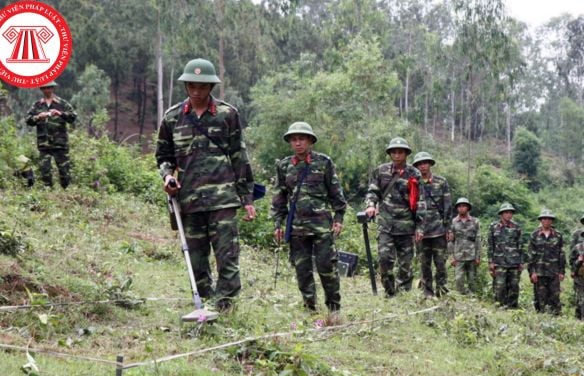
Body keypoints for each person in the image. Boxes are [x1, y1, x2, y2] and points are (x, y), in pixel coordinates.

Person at [155, 58, 256, 311]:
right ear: (186, 86)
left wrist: (247, 199)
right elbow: (164, 157)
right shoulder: (172, 118)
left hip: (223, 199)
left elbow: (239, 157)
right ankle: (204, 306)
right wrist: (168, 177)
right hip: (189, 200)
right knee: (196, 258)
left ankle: (225, 308)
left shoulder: (227, 114)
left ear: (211, 87)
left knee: (227, 257)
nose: (197, 91)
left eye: (202, 86)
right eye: (192, 86)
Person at [271, 122, 347, 312]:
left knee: (327, 268)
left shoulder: (324, 162)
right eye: (294, 140)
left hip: (322, 227)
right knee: (302, 270)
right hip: (296, 227)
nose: (298, 143)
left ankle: (334, 307)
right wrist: (277, 225)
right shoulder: (284, 166)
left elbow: (336, 193)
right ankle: (309, 307)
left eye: (302, 139)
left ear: (310, 141)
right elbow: (279, 198)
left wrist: (339, 218)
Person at [364, 137, 422, 296]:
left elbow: (420, 202)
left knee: (405, 264)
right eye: (394, 152)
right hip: (386, 224)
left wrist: (420, 227)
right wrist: (370, 205)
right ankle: (390, 292)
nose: (397, 155)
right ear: (390, 154)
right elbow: (373, 191)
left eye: (400, 152)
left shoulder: (414, 173)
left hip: (406, 226)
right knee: (384, 259)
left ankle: (403, 294)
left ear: (406, 154)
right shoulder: (381, 171)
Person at [412, 151, 452, 297]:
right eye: (419, 164)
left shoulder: (441, 182)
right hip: (421, 231)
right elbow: (410, 207)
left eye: (425, 163)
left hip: (439, 230)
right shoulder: (413, 183)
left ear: (430, 164)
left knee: (440, 263)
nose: (422, 166)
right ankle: (427, 292)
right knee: (424, 264)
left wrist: (448, 228)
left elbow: (447, 206)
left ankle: (441, 291)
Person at [25, 81, 77, 189]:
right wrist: (38, 117)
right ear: (41, 89)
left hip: (60, 143)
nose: (47, 90)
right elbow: (28, 120)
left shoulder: (62, 103)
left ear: (53, 88)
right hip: (44, 144)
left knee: (64, 171)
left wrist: (60, 113)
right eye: (44, 88)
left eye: (49, 88)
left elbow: (73, 117)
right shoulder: (37, 105)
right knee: (45, 171)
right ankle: (48, 193)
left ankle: (66, 192)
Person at [527, 209, 566, 315]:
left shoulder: (558, 235)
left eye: (549, 219)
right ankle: (540, 317)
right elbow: (531, 255)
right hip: (539, 272)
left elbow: (561, 254)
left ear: (552, 221)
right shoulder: (534, 235)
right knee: (540, 297)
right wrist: (532, 272)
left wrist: (562, 271)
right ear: (541, 220)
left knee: (555, 296)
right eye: (544, 219)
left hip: (554, 272)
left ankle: (556, 318)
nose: (547, 221)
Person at [488, 203, 525, 308]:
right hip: (499, 262)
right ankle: (499, 306)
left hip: (514, 262)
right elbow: (491, 245)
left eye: (510, 213)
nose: (509, 215)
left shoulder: (517, 227)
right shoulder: (493, 227)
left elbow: (520, 245)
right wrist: (490, 262)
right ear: (501, 214)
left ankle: (513, 307)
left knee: (514, 286)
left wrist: (521, 261)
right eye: (506, 212)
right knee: (500, 286)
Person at [448, 197, 481, 295]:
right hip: (458, 255)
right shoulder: (453, 222)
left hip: (472, 255)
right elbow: (450, 241)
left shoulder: (475, 222)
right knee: (459, 280)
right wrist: (451, 257)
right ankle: (461, 299)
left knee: (472, 280)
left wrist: (478, 256)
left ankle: (473, 299)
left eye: (464, 206)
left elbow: (478, 240)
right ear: (457, 208)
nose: (461, 208)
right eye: (459, 206)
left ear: (468, 208)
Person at [571, 234, 584, 320]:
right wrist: (578, 261)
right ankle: (580, 318)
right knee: (581, 299)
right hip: (580, 277)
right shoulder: (578, 247)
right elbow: (571, 262)